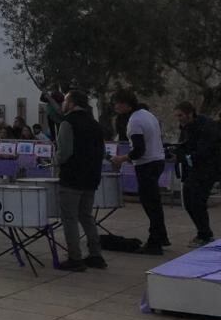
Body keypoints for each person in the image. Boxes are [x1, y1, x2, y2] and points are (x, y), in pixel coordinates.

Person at [54, 91, 107, 271]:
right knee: (86, 216)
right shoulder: (95, 124)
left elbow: (65, 152)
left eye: (65, 100)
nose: (63, 103)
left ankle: (75, 258)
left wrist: (55, 160)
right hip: (91, 177)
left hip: (72, 178)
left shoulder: (68, 123)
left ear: (72, 103)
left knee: (70, 218)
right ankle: (96, 254)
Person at [111, 90, 169, 254]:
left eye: (117, 103)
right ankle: (162, 236)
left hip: (146, 164)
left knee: (150, 203)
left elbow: (139, 150)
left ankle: (155, 242)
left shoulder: (134, 122)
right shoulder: (147, 115)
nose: (115, 106)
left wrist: (121, 159)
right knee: (155, 202)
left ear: (125, 104)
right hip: (158, 160)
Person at [175, 101, 221, 247]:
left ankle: (205, 234)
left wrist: (188, 157)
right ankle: (203, 232)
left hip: (207, 169)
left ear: (190, 113)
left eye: (181, 115)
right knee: (189, 200)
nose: (179, 118)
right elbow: (185, 145)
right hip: (195, 169)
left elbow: (205, 151)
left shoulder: (207, 126)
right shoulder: (187, 127)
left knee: (197, 200)